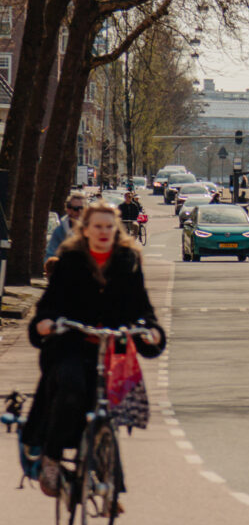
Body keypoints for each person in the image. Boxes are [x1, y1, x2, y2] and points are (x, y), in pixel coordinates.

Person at [25, 201, 166, 499]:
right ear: (85, 230)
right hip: (72, 344)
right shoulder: (70, 260)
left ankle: (109, 480)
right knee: (73, 386)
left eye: (109, 227)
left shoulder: (128, 261)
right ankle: (51, 456)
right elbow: (49, 304)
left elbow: (141, 307)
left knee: (106, 405)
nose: (103, 232)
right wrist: (45, 323)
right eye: (97, 226)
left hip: (112, 348)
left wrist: (151, 331)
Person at [46, 193, 86, 258]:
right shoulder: (59, 231)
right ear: (68, 210)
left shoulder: (93, 229)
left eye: (82, 208)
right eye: (76, 209)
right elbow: (50, 255)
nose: (80, 211)